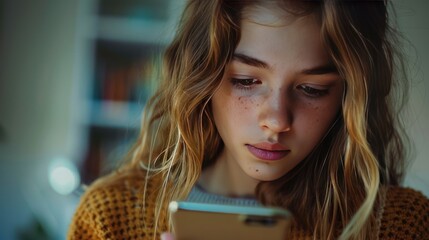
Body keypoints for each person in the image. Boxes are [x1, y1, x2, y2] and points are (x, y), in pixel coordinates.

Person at [68, 0, 429, 239]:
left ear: (350, 96)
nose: (276, 120)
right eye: (245, 81)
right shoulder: (111, 218)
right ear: (201, 78)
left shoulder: (399, 225)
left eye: (312, 89)